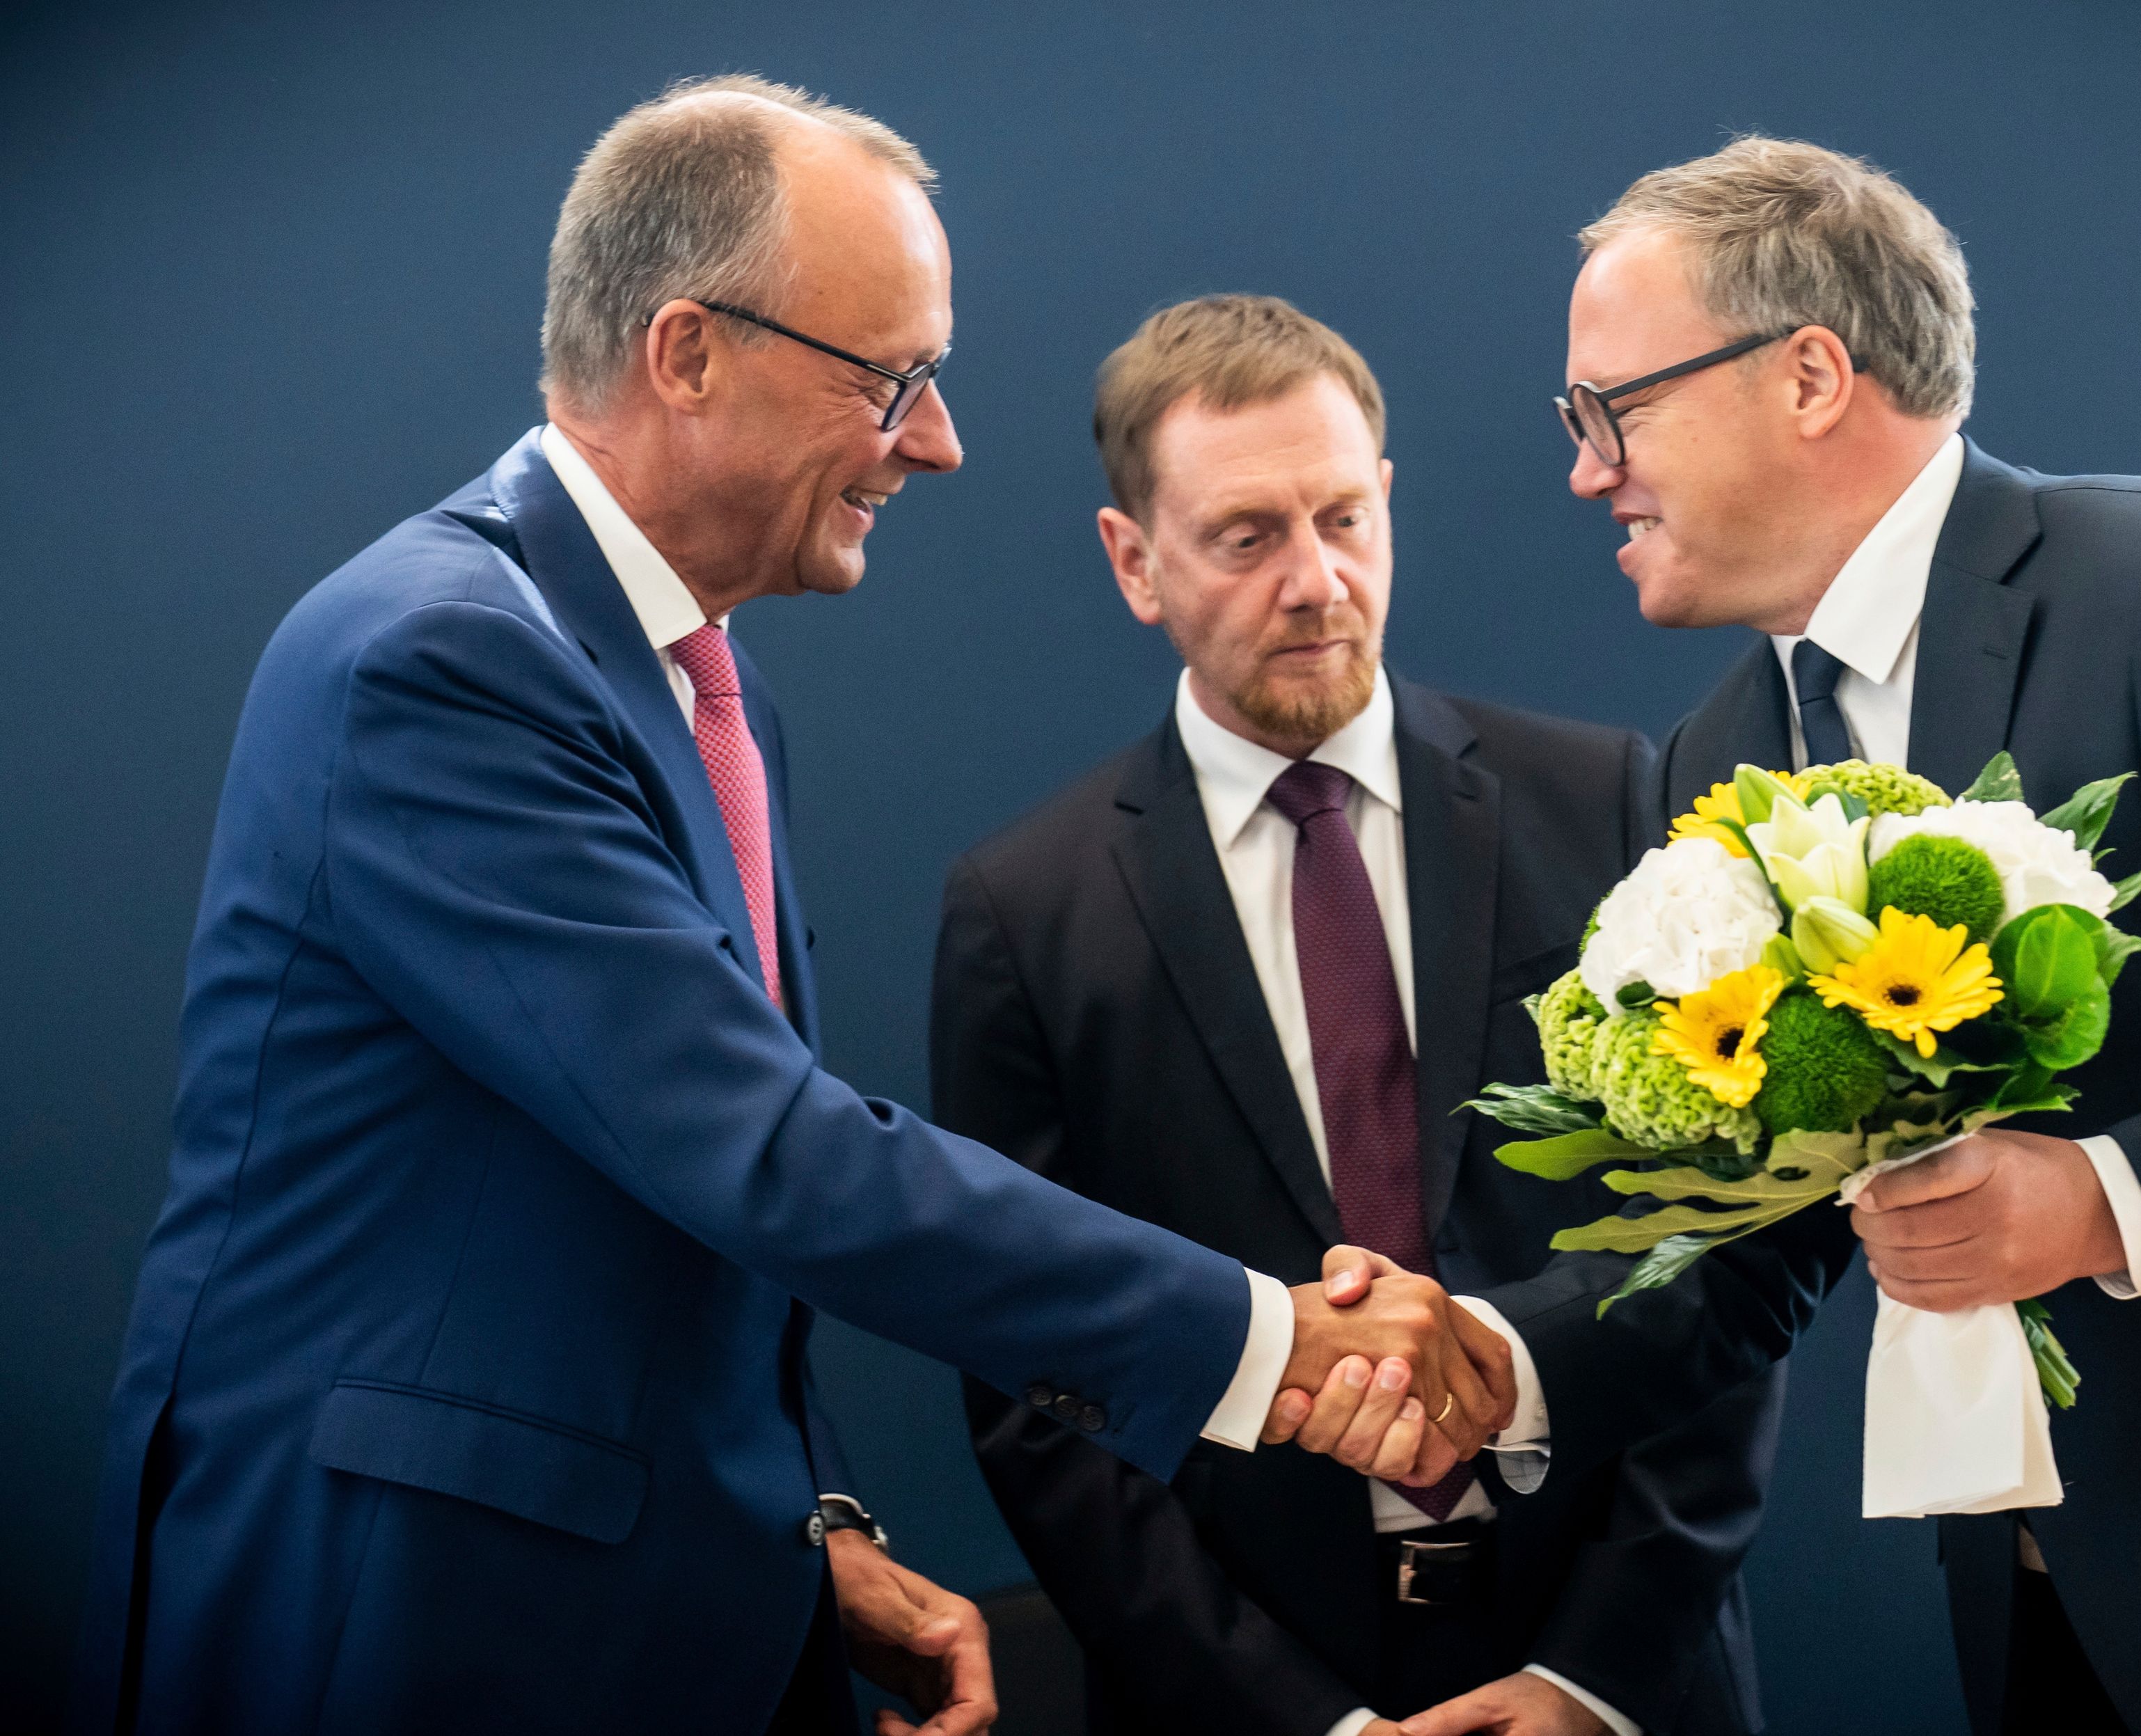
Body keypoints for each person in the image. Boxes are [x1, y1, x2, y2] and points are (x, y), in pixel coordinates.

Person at [68, 77, 1509, 1736]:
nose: (942, 439)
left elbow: (679, 1211)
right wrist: (1273, 1342)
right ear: (689, 352)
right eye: (894, 378)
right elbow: (765, 1148)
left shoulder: (694, 679)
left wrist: (807, 1513)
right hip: (407, 1615)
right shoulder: (438, 662)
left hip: (656, 1590)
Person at [1300, 137, 2141, 1735]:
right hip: (2049, 1605)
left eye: (1612, 409)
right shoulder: (1710, 756)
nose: (1588, 470)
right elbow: (1783, 1224)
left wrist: (2105, 1198)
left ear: (1809, 373)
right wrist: (1495, 1355)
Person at [938, 295, 1783, 1736]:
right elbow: (1036, 1383)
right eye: (1246, 536)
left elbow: (1723, 1245)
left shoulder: (1614, 806)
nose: (1317, 580)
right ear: (1134, 560)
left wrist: (1597, 1671)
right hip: (1247, 1690)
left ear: (1388, 501)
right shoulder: (1027, 907)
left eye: (1343, 516)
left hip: (1626, 1676)